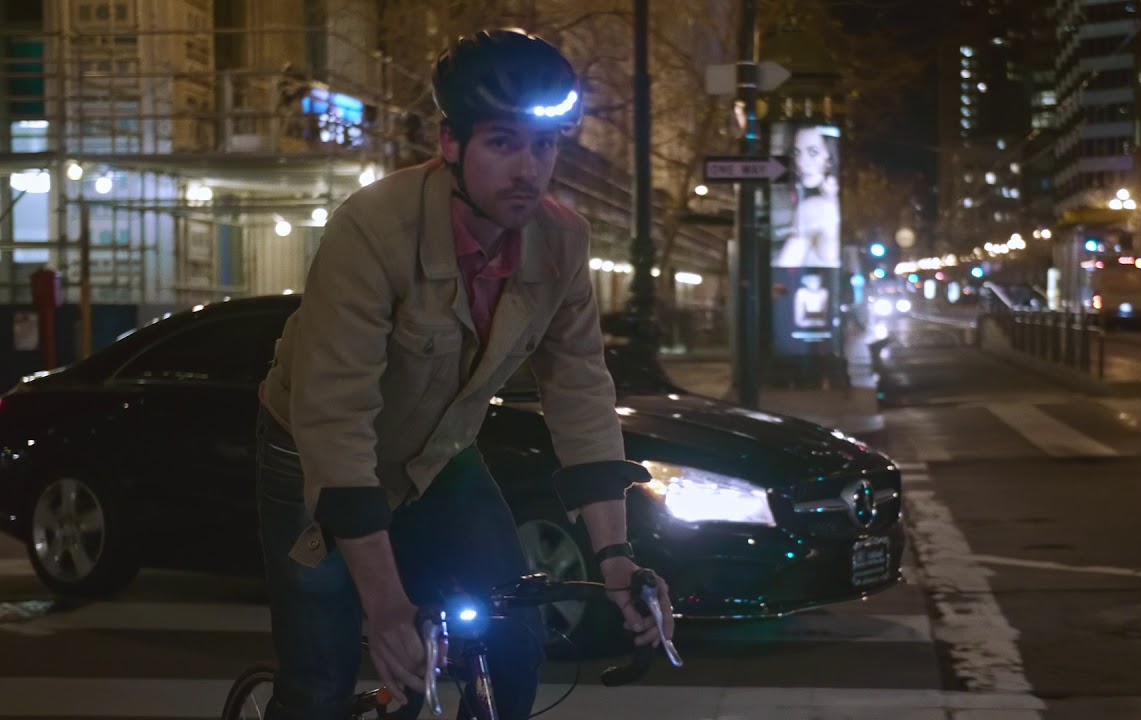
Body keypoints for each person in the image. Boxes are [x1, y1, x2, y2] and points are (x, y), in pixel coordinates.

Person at [254, 28, 675, 720]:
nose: (528, 170)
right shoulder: (372, 229)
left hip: (441, 453)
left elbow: (579, 390)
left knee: (515, 633)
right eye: (503, 143)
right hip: (311, 450)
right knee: (321, 677)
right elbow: (336, 421)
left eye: (544, 146)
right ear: (450, 143)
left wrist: (617, 557)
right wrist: (386, 605)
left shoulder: (562, 239)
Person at [774, 126, 840, 268]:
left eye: (813, 152)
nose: (801, 162)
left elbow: (785, 266)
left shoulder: (818, 206)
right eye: (797, 153)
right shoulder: (797, 192)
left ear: (830, 157)